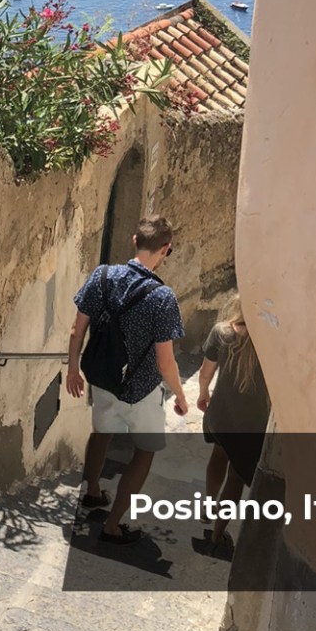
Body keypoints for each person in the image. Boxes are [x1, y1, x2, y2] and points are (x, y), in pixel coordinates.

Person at [66, 215, 188, 545]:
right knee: (144, 452)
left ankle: (92, 492)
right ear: (166, 249)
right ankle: (113, 525)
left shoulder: (102, 276)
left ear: (135, 241)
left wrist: (73, 369)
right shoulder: (163, 298)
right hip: (141, 389)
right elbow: (165, 361)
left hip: (103, 378)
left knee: (101, 433)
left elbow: (77, 329)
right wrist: (180, 395)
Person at [197, 292, 270, 550]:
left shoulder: (221, 332)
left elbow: (206, 373)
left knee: (218, 455)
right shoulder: (269, 341)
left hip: (222, 412)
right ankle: (218, 535)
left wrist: (203, 394)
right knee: (236, 476)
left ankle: (207, 506)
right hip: (252, 422)